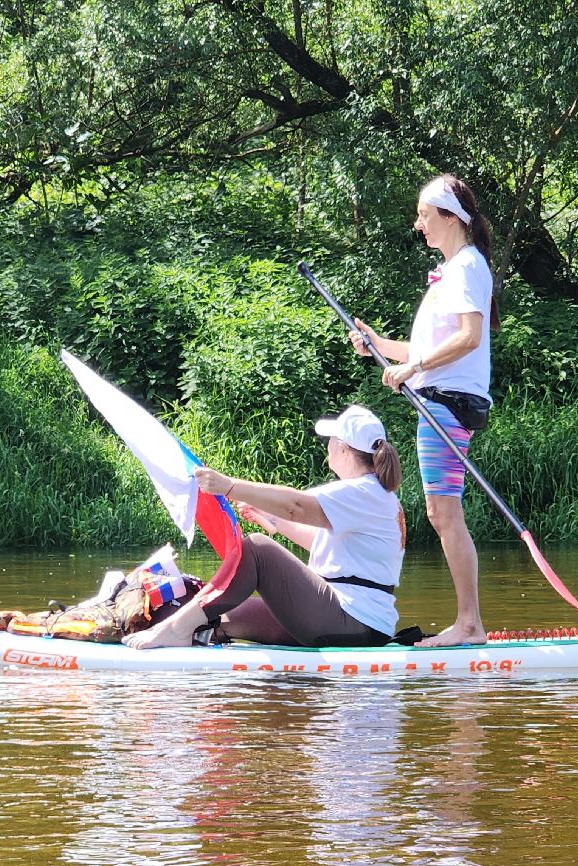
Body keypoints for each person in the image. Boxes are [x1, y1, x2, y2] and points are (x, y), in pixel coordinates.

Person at [348, 173, 498, 647]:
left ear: (450, 216)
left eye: (424, 214)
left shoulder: (466, 267)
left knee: (443, 513)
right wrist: (378, 346)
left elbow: (468, 338)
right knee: (442, 512)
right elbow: (427, 346)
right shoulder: (454, 270)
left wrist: (412, 366)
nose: (418, 224)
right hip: (443, 398)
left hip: (448, 403)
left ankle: (470, 625)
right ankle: (470, 623)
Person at [124, 405, 405, 650]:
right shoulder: (376, 495)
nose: (327, 444)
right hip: (355, 621)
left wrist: (230, 487)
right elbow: (327, 543)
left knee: (256, 548)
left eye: (331, 439)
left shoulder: (362, 492)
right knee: (225, 618)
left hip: (352, 623)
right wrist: (276, 522)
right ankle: (174, 630)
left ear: (343, 448)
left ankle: (177, 630)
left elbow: (297, 505)